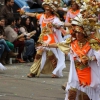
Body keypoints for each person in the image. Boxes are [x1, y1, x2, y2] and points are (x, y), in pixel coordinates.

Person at [43, 11, 100, 100]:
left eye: (79, 32)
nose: (77, 34)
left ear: (84, 33)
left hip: (87, 73)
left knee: (85, 97)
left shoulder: (91, 43)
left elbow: (98, 55)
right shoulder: (72, 42)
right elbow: (59, 44)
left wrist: (90, 58)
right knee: (71, 95)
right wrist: (48, 45)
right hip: (75, 74)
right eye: (76, 32)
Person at [20, 0, 66, 78]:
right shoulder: (42, 16)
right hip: (42, 39)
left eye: (48, 10)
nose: (46, 11)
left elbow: (60, 25)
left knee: (52, 56)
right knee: (38, 55)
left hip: (51, 40)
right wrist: (24, 13)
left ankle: (56, 72)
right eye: (45, 9)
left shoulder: (55, 19)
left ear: (51, 10)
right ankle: (33, 72)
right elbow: (34, 15)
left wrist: (57, 26)